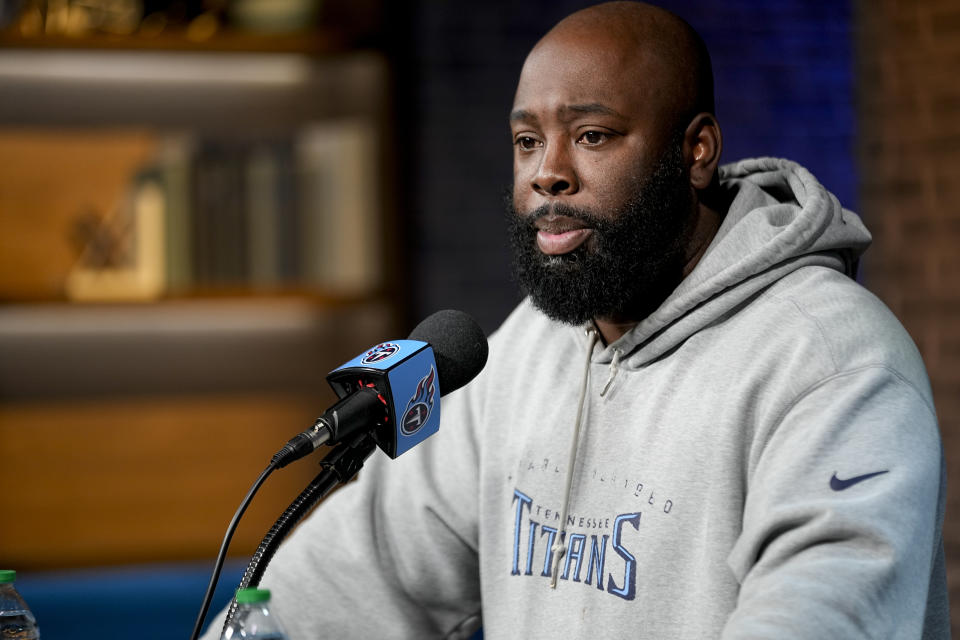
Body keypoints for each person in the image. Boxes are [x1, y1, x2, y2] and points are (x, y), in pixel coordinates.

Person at [202, 2, 948, 638]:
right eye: (528, 141)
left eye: (591, 135)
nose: (545, 172)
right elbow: (358, 571)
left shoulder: (834, 366)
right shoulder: (532, 345)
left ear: (696, 150)